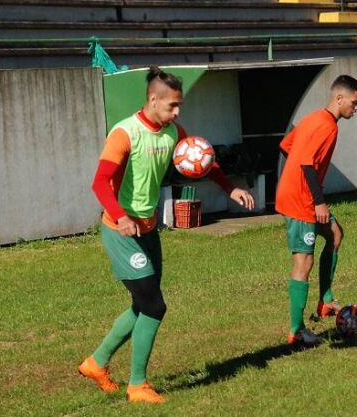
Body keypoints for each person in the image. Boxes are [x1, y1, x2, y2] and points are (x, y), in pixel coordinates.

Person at [78, 67, 254, 403]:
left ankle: (95, 363)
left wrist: (230, 189)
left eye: (179, 106)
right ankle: (137, 386)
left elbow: (203, 160)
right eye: (172, 106)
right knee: (155, 306)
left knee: (141, 304)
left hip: (148, 229)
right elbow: (99, 183)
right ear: (153, 100)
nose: (177, 113)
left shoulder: (172, 131)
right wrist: (121, 217)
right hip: (121, 231)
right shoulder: (125, 133)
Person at [275, 75, 357, 345]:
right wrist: (317, 201)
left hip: (299, 194)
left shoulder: (312, 119)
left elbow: (286, 146)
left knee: (335, 234)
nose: (356, 108)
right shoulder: (326, 127)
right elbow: (306, 163)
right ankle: (296, 331)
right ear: (339, 98)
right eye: (355, 102)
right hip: (301, 201)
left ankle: (325, 301)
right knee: (304, 262)